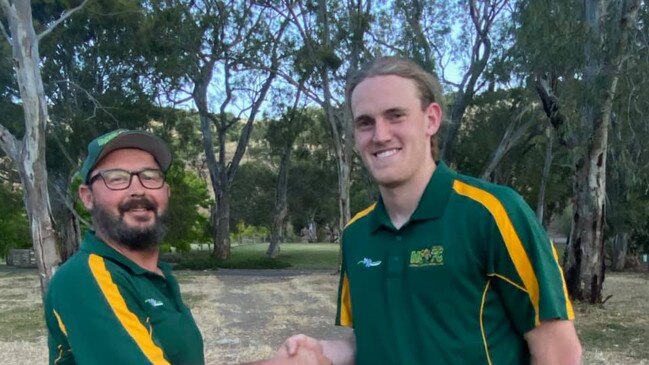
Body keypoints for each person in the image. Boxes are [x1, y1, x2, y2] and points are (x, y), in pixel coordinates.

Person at [280, 56, 583, 365]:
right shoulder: (356, 234)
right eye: (365, 122)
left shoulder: (493, 213)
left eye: (396, 115)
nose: (380, 135)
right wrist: (318, 354)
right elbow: (371, 342)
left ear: (431, 119)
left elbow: (559, 352)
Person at [44, 129, 332, 365]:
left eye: (150, 176)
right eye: (117, 178)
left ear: (166, 192)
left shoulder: (158, 277)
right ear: (87, 196)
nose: (138, 189)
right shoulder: (84, 278)